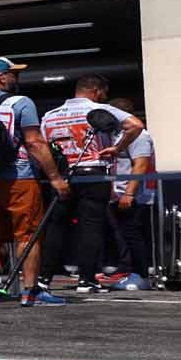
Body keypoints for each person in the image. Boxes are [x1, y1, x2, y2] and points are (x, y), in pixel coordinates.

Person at [0, 57, 72, 306]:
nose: (16, 78)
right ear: (2, 77)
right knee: (28, 234)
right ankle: (30, 291)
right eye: (13, 74)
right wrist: (55, 177)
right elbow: (34, 142)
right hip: (20, 178)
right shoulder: (21, 103)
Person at [39, 75, 143, 294]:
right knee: (91, 226)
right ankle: (86, 280)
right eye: (104, 93)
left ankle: (44, 277)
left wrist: (53, 175)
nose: (104, 97)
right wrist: (117, 148)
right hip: (93, 173)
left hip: (61, 175)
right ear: (95, 90)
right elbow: (135, 125)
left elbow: (41, 148)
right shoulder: (100, 109)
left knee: (56, 227)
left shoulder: (49, 116)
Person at [106, 96, 153, 289]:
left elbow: (140, 165)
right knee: (122, 234)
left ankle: (141, 275)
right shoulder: (118, 136)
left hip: (135, 195)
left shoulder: (140, 136)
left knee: (132, 234)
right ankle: (127, 269)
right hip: (118, 193)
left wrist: (129, 194)